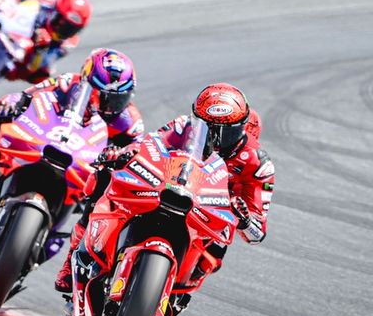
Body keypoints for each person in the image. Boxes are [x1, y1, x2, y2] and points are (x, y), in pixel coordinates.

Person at [53, 82, 275, 292]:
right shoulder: (183, 126)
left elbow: (257, 233)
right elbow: (150, 144)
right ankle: (74, 256)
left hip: (208, 215)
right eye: (207, 128)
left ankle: (181, 288)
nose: (215, 139)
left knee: (222, 237)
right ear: (196, 119)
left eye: (225, 132)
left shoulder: (258, 164)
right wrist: (123, 154)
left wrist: (245, 219)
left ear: (242, 128)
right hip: (173, 188)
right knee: (106, 175)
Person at [0, 48, 144, 219]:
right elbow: (26, 96)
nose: (109, 106)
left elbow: (137, 150)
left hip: (87, 167)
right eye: (102, 95)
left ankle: (82, 251)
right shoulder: (66, 83)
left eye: (119, 98)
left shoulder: (130, 120)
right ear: (85, 81)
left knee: (110, 203)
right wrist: (8, 104)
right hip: (49, 139)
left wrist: (119, 155)